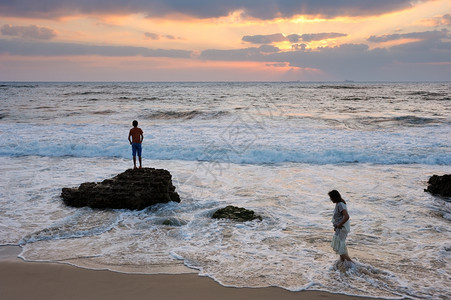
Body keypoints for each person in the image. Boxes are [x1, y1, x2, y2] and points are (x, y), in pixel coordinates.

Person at [329, 190, 353, 263]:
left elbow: (346, 216)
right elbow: (340, 217)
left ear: (334, 197)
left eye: (331, 197)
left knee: (340, 248)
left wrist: (339, 225)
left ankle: (352, 265)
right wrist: (336, 226)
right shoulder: (339, 204)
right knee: (340, 247)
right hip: (340, 228)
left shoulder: (340, 204)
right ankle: (344, 264)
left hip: (342, 229)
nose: (330, 199)